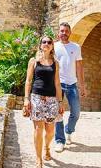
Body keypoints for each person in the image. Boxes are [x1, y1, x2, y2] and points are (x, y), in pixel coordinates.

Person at [23, 35, 64, 168]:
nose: (46, 44)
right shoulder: (33, 61)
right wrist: (26, 99)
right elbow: (28, 81)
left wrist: (60, 101)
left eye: (49, 42)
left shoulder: (55, 63)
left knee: (50, 131)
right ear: (40, 44)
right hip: (36, 98)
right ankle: (38, 158)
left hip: (52, 100)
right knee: (38, 129)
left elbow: (57, 83)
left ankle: (47, 146)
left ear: (52, 46)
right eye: (44, 42)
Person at [53, 22, 86, 152]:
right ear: (58, 33)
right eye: (62, 31)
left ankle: (69, 130)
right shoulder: (54, 47)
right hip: (58, 84)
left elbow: (79, 67)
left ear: (70, 33)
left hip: (72, 84)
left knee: (76, 112)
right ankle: (59, 140)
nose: (64, 33)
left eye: (66, 31)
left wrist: (82, 86)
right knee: (58, 113)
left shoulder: (76, 47)